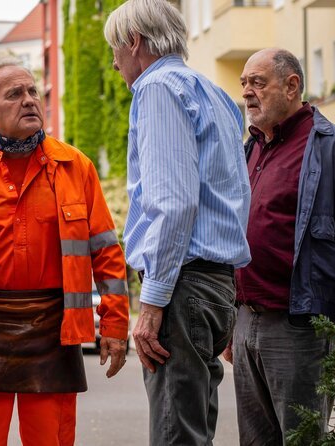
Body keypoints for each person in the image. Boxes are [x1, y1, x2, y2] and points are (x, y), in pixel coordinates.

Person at [0, 58, 130, 446]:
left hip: (53, 334)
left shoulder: (76, 168)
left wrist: (114, 326)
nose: (30, 100)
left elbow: (107, 255)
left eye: (33, 91)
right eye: (14, 94)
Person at [104, 1, 251, 444]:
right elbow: (235, 194)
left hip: (182, 288)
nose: (114, 63)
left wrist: (152, 302)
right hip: (216, 284)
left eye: (115, 48)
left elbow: (174, 203)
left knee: (176, 433)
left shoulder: (157, 88)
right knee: (193, 426)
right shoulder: (214, 93)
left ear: (134, 41)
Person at [226, 48, 335, 444]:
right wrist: (232, 320)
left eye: (258, 83)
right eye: (244, 83)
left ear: (292, 85)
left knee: (302, 439)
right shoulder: (251, 149)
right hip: (247, 320)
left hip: (300, 327)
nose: (248, 92)